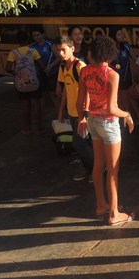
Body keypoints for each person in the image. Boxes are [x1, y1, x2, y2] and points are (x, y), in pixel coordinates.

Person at [76, 36, 135, 226]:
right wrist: (127, 114)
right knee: (112, 171)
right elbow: (112, 108)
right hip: (109, 125)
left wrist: (82, 118)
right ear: (110, 56)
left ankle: (101, 205)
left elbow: (80, 102)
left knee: (97, 165)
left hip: (92, 121)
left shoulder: (84, 71)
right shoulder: (112, 75)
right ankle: (114, 214)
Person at [56, 35, 93, 181]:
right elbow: (66, 89)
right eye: (58, 50)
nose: (61, 53)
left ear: (72, 48)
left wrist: (85, 113)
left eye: (63, 50)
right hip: (72, 112)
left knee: (79, 143)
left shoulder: (80, 66)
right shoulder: (63, 66)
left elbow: (88, 90)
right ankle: (88, 167)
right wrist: (61, 110)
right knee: (83, 143)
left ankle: (96, 167)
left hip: (80, 113)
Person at [5, 30, 44, 135]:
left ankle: (26, 129)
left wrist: (15, 73)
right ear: (28, 39)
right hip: (33, 82)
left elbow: (7, 68)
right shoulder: (33, 51)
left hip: (20, 84)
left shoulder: (13, 52)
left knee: (25, 106)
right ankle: (39, 129)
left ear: (17, 40)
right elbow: (42, 65)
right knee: (36, 105)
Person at [30, 27, 61, 112]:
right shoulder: (32, 46)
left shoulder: (49, 44)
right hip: (39, 74)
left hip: (51, 73)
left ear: (43, 35)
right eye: (34, 36)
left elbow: (58, 57)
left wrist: (50, 67)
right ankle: (40, 116)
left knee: (53, 94)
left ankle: (60, 115)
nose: (36, 37)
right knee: (42, 95)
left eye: (38, 35)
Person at [111, 29, 136, 118]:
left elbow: (135, 60)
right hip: (114, 79)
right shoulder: (111, 48)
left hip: (125, 78)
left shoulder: (127, 47)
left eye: (122, 34)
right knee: (117, 101)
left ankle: (129, 118)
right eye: (119, 35)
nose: (121, 36)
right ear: (114, 37)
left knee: (126, 101)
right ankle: (121, 120)